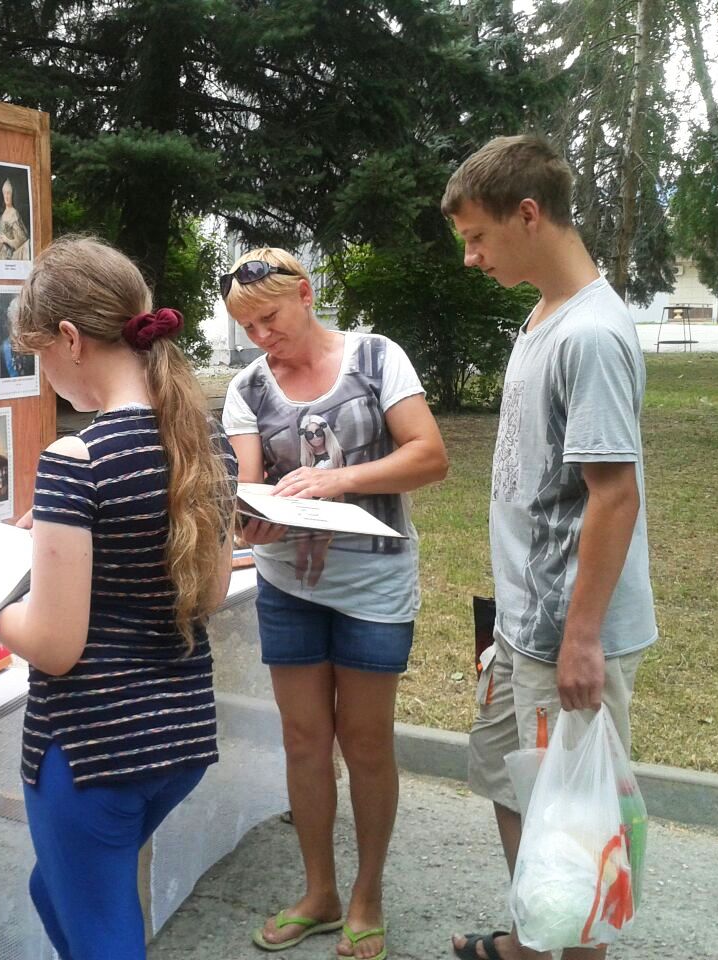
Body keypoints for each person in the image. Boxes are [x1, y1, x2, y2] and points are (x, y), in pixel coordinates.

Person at [0, 236, 237, 960]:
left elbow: (55, 646)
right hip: (178, 739)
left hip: (92, 751)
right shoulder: (205, 443)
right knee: (55, 890)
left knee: (102, 932)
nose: (43, 375)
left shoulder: (78, 459)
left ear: (70, 340)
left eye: (39, 355)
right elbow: (210, 591)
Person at [441, 136, 657, 960]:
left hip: (567, 631)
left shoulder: (590, 335)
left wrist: (581, 640)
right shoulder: (541, 317)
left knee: (578, 817)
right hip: (524, 625)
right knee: (512, 779)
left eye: (478, 237)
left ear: (528, 215)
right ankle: (535, 937)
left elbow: (614, 494)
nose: (470, 257)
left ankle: (570, 948)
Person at [221, 247, 448, 960]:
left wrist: (336, 480)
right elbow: (249, 487)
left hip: (374, 584)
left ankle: (366, 895)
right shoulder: (247, 389)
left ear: (306, 295)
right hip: (288, 585)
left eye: (269, 318)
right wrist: (250, 520)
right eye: (247, 327)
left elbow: (430, 455)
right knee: (303, 739)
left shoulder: (376, 359)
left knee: (367, 742)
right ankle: (319, 892)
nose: (261, 337)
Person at [0, 178, 31, 260]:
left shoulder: (14, 213)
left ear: (12, 195)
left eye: (8, 193)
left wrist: (7, 240)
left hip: (7, 255)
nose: (6, 196)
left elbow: (21, 240)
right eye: (4, 193)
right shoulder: (4, 213)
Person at [0, 295, 33, 378]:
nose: (20, 328)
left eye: (23, 321)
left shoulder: (31, 346)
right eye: (17, 322)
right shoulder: (3, 350)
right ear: (10, 322)